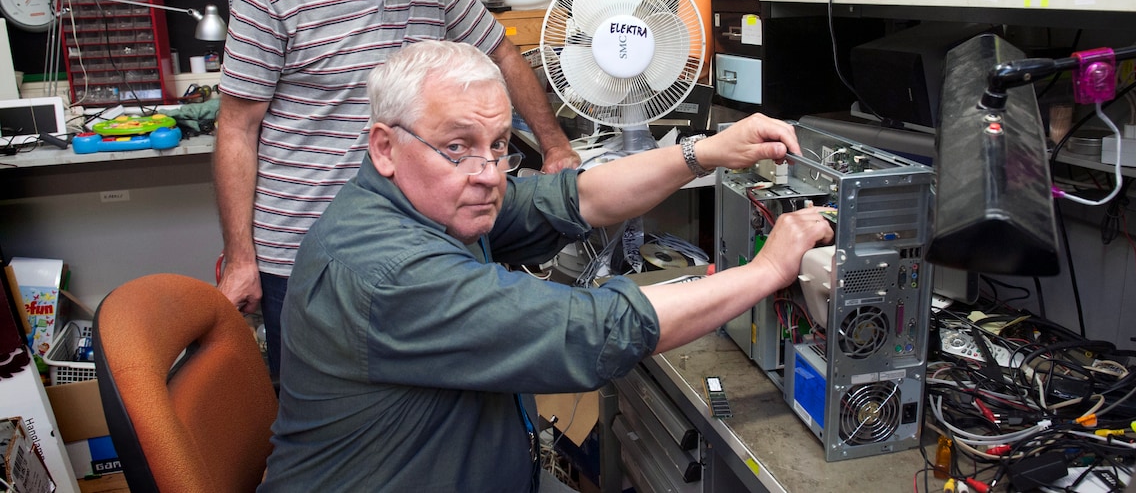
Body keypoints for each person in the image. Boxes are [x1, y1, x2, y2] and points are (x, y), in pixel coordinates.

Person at [258, 40, 834, 492]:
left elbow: (572, 197)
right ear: (385, 146)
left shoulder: (430, 200)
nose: (486, 172)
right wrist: (767, 270)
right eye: (457, 147)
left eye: (500, 144)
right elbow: (594, 331)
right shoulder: (388, 271)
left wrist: (704, 151)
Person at [214, 0, 580, 379]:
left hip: (410, 250)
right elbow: (236, 128)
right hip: (302, 256)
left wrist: (556, 145)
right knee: (325, 415)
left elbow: (503, 56)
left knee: (417, 415)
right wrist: (241, 258)